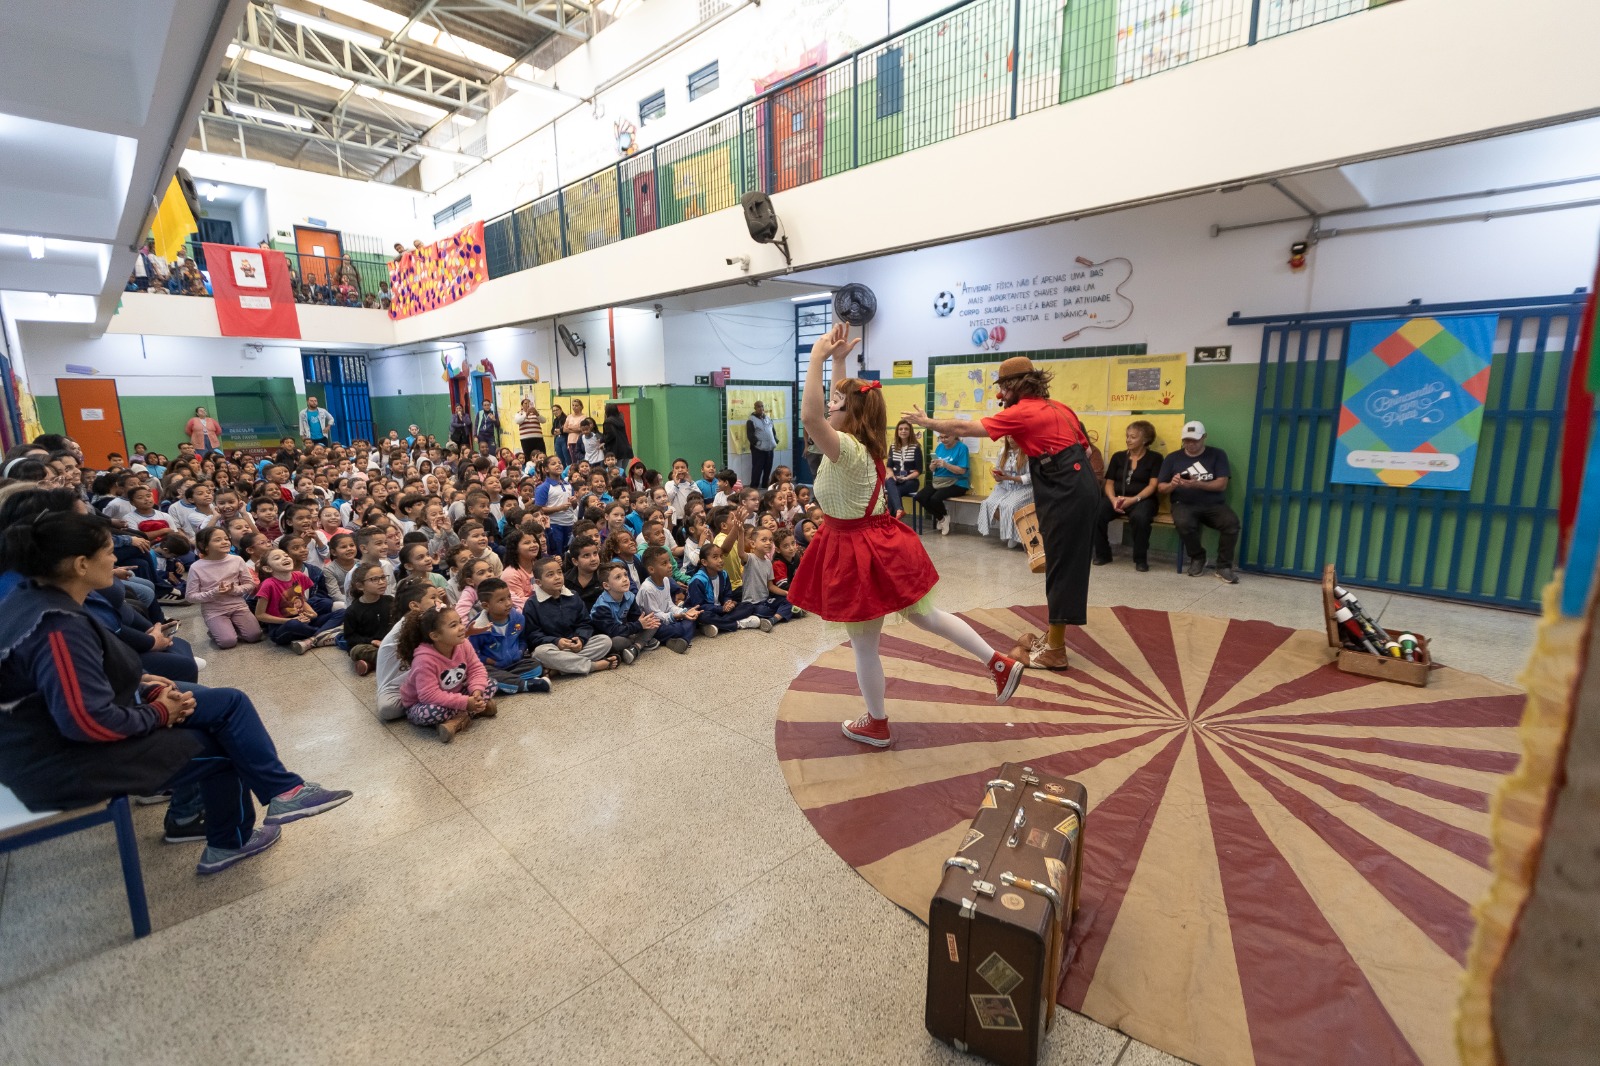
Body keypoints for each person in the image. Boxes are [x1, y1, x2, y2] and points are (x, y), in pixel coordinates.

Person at [0, 510, 351, 875]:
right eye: (108, 552)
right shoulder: (58, 626)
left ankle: (284, 792)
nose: (115, 559)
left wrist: (141, 683)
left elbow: (73, 678)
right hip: (59, 759)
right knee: (224, 746)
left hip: (68, 729)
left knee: (230, 702)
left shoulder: (35, 596)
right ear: (81, 564)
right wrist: (159, 712)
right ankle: (231, 839)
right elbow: (86, 722)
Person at [794, 322, 1024, 748]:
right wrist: (840, 361)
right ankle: (997, 663)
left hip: (857, 549)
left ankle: (877, 723)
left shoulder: (844, 448)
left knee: (865, 646)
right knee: (925, 616)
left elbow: (809, 416)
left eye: (835, 403)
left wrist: (816, 358)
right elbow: (837, 404)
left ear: (849, 414)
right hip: (877, 542)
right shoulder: (860, 443)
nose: (828, 406)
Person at [904, 355, 1101, 672]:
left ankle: (1056, 650)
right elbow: (1088, 451)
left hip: (1065, 488)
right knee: (1060, 563)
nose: (1000, 395)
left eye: (1004, 388)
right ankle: (1054, 638)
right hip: (1074, 483)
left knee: (1061, 567)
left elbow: (964, 427)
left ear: (1017, 386)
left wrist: (927, 423)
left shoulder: (1023, 412)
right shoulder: (1060, 408)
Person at [1158, 420, 1241, 584]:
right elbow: (1161, 487)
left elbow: (1222, 484)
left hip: (1213, 504)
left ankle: (1224, 566)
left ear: (1204, 437)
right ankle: (1198, 557)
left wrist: (1197, 484)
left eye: (1195, 440)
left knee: (1231, 523)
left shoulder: (1217, 455)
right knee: (1183, 523)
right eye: (1186, 440)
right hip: (1183, 503)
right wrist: (1172, 485)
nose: (1190, 444)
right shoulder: (1173, 458)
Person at [397, 606, 496, 743]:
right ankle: (466, 716)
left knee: (490, 684)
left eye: (460, 622)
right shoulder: (424, 660)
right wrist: (465, 702)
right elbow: (428, 695)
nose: (462, 627)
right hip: (423, 703)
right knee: (434, 712)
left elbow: (476, 669)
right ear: (435, 636)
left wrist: (476, 693)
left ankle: (458, 719)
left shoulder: (463, 644)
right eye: (453, 625)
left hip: (453, 693)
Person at [524, 557, 618, 676]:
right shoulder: (532, 604)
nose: (557, 577)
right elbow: (533, 635)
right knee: (540, 653)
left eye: (559, 572)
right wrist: (556, 641)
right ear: (538, 582)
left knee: (605, 641)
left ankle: (559, 669)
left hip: (575, 646)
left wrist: (581, 639)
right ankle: (593, 666)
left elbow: (585, 623)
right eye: (550, 575)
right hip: (553, 647)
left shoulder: (573, 596)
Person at [1094, 420, 1163, 572]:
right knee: (1096, 512)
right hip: (1117, 498)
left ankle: (1140, 559)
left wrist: (1133, 499)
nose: (1128, 440)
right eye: (1127, 436)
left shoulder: (1155, 458)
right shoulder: (1118, 457)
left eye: (1133, 437)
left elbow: (1153, 485)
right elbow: (1109, 482)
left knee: (1140, 518)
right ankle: (1103, 554)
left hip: (1142, 500)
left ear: (1145, 439)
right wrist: (1113, 499)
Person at [185, 527, 262, 649]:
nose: (225, 542)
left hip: (238, 605)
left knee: (254, 636)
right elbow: (190, 596)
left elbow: (250, 584)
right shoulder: (196, 567)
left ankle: (228, 627)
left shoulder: (237, 560)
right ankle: (218, 629)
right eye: (218, 540)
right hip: (214, 610)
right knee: (228, 642)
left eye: (226, 539)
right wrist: (213, 593)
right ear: (204, 545)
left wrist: (234, 590)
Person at [977, 436, 1033, 548]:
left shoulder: (1028, 452)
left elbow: (1030, 477)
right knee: (988, 503)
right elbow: (999, 469)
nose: (1010, 440)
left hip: (1023, 488)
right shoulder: (1003, 451)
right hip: (1005, 486)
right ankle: (1008, 531)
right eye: (1008, 437)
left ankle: (1013, 535)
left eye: (1013, 437)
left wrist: (1010, 478)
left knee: (1009, 505)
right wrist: (997, 476)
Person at [914, 431, 971, 535]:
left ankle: (942, 518)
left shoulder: (962, 448)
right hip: (939, 481)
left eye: (946, 437)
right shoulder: (940, 447)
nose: (943, 440)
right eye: (941, 437)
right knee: (920, 497)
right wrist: (933, 466)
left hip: (957, 483)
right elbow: (932, 469)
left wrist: (946, 465)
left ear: (954, 435)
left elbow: (962, 471)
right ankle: (943, 518)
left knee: (935, 499)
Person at [341, 562, 393, 675]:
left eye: (383, 577)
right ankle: (393, 660)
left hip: (388, 643)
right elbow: (351, 638)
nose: (381, 582)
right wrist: (371, 641)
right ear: (360, 586)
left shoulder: (390, 601)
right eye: (374, 579)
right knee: (358, 650)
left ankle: (370, 665)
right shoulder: (353, 610)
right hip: (367, 645)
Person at [888, 420, 924, 521]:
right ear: (897, 431)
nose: (903, 431)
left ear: (910, 431)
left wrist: (906, 478)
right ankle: (898, 511)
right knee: (888, 481)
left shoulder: (916, 447)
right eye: (900, 429)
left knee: (893, 492)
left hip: (910, 481)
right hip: (896, 480)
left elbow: (918, 470)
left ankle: (892, 518)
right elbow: (889, 466)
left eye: (906, 429)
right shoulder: (893, 447)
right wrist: (891, 474)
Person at [746, 400, 777, 490]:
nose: (761, 408)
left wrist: (775, 440)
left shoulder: (768, 418)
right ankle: (754, 487)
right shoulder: (751, 420)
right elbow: (750, 435)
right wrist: (758, 444)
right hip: (758, 449)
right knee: (757, 469)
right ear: (755, 408)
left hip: (770, 448)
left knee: (768, 468)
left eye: (762, 406)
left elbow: (773, 431)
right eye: (758, 406)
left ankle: (765, 485)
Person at [515, 397, 546, 462]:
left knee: (542, 454)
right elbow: (518, 421)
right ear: (522, 405)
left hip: (538, 438)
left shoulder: (536, 413)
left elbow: (543, 420)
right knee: (528, 456)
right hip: (526, 439)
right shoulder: (519, 413)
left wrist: (537, 414)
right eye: (525, 403)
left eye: (529, 403)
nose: (527, 405)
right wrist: (526, 414)